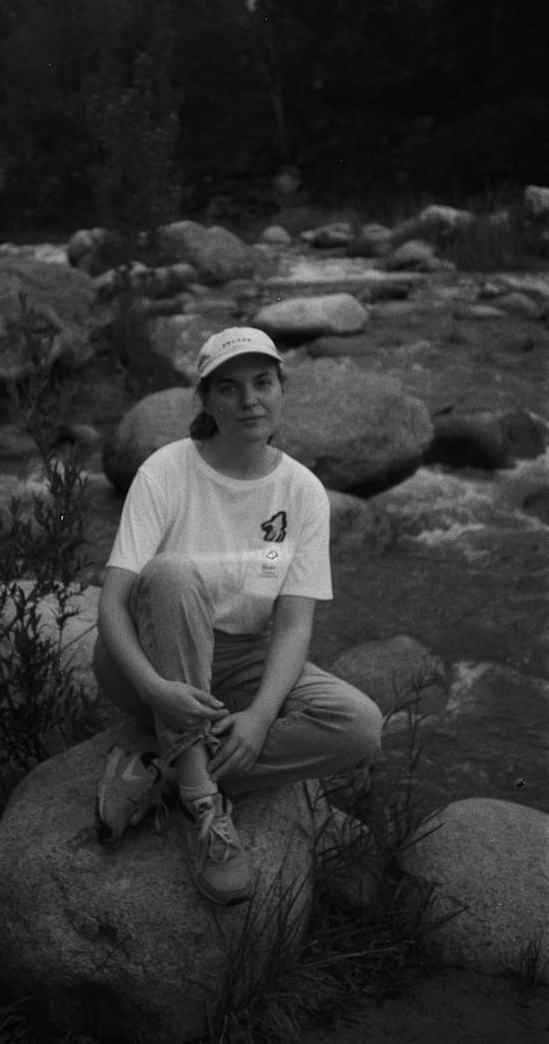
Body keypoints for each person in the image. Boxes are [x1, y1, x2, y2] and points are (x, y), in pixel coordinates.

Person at [92, 326, 382, 906]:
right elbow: (111, 603)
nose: (249, 401)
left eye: (262, 383)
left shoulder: (301, 492)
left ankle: (165, 771)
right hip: (149, 659)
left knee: (359, 725)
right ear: (206, 400)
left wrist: (258, 719)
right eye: (229, 388)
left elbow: (294, 625)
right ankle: (202, 801)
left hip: (239, 661)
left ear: (281, 389)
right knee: (172, 573)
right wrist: (155, 687)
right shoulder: (165, 472)